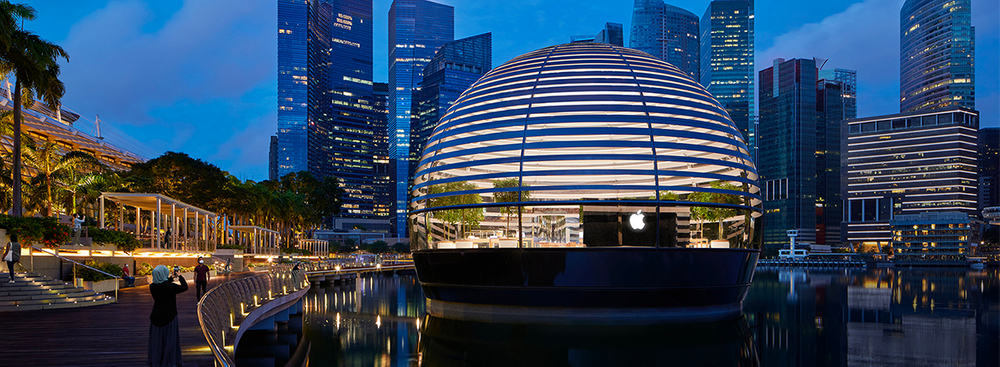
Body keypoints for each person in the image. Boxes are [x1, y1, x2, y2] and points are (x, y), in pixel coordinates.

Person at [148, 265, 187, 366]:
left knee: (157, 341)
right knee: (169, 341)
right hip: (169, 316)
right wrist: (180, 276)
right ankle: (169, 361)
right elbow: (184, 287)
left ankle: (157, 360)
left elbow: (163, 283)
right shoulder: (170, 287)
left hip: (156, 316)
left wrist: (171, 278)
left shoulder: (152, 286)